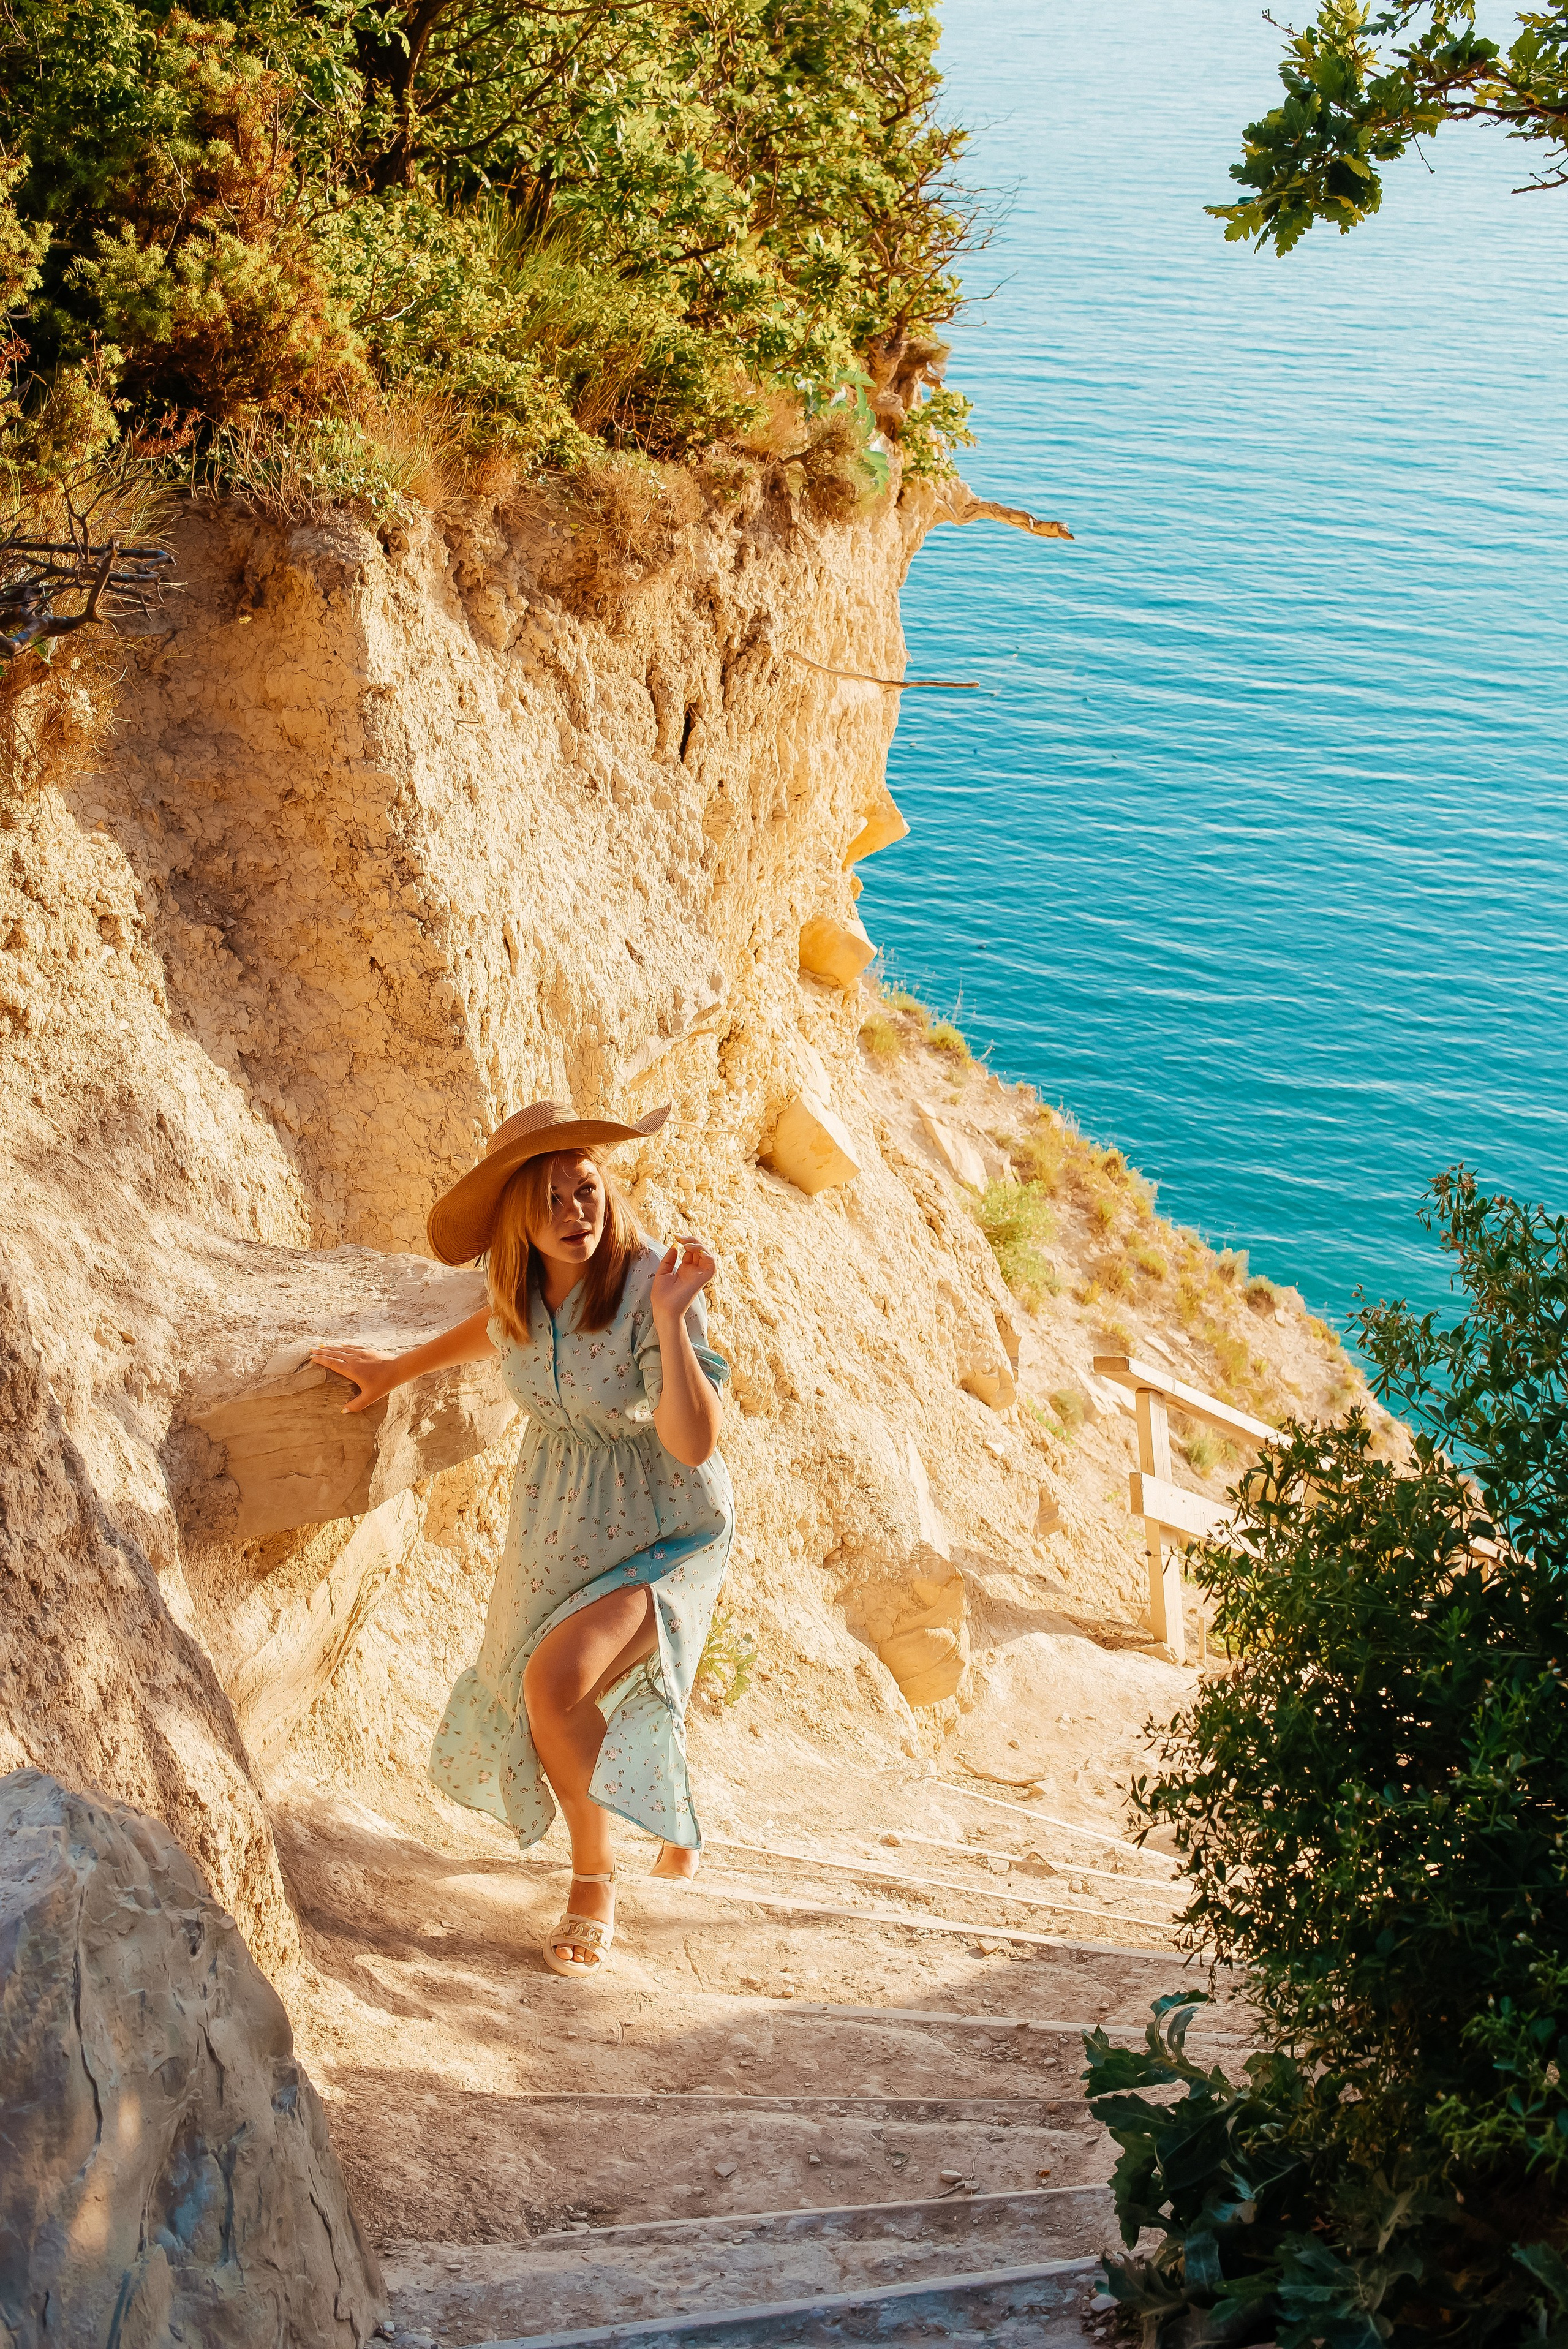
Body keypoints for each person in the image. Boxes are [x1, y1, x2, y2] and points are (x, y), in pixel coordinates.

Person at [309, 1097, 733, 1980]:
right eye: (551, 1202)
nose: (576, 1215)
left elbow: (694, 1441)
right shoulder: (521, 1287)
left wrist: (668, 1318)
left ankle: (593, 1882)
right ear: (516, 1222)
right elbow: (498, 1328)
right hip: (558, 1523)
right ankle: (667, 1813)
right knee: (562, 1687)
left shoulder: (652, 1284)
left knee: (557, 1685)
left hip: (664, 1525)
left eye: (586, 1190)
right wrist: (397, 1368)